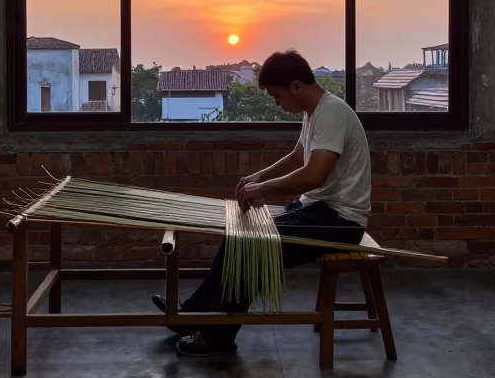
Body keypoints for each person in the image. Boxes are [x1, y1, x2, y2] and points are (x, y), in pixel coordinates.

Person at [152, 49, 371, 357]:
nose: (277, 103)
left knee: (249, 245)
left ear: (296, 86)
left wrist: (263, 189)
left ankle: (207, 327)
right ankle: (199, 318)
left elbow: (314, 174)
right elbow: (298, 156)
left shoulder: (331, 113)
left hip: (340, 221)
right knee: (241, 238)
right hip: (315, 209)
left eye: (277, 96)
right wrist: (259, 176)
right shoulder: (315, 112)